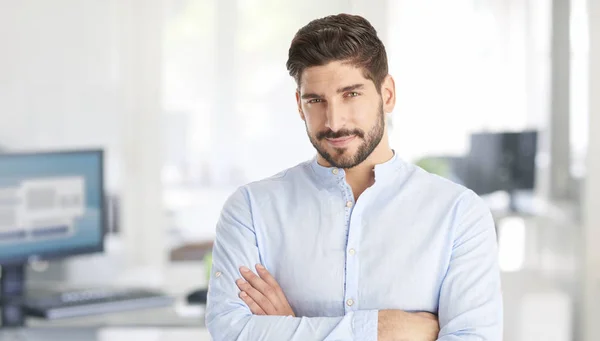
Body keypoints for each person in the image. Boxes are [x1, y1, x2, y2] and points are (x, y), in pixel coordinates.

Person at [205, 13, 503, 341]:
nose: (334, 121)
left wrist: (290, 327)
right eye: (316, 100)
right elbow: (230, 332)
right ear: (299, 106)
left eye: (351, 94)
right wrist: (381, 330)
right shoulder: (251, 210)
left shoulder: (459, 214)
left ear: (386, 94)